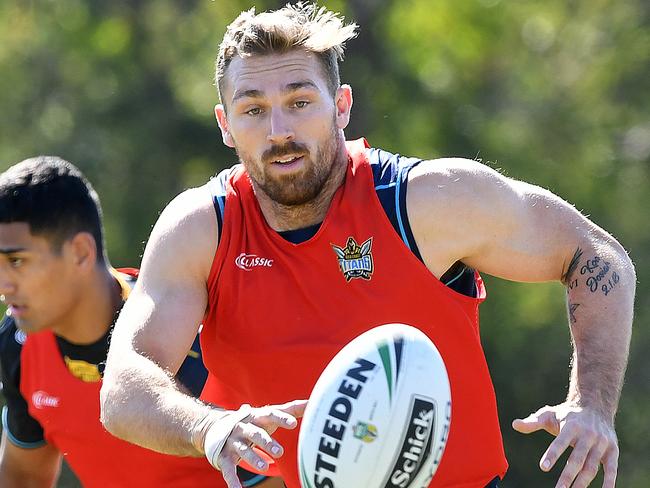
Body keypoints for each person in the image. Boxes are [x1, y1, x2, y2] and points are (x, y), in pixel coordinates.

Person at [99, 3, 635, 488]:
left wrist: (590, 403)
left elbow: (596, 256)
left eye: (300, 101)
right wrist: (209, 427)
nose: (279, 130)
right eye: (254, 109)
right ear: (225, 126)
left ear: (342, 105)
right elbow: (122, 386)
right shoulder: (202, 229)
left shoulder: (426, 202)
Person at [0, 156, 279, 487]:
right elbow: (24, 478)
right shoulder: (16, 344)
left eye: (16, 261)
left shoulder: (189, 336)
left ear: (80, 253)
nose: (4, 285)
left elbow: (272, 476)